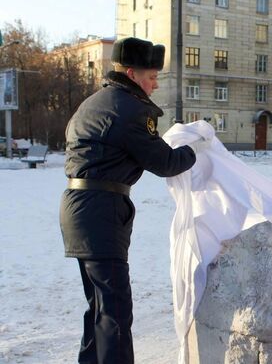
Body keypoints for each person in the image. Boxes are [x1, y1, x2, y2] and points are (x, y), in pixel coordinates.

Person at [59, 37, 207, 364]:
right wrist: (196, 149)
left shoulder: (97, 101)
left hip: (80, 208)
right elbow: (165, 162)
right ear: (131, 73)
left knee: (99, 306)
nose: (155, 85)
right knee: (115, 311)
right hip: (100, 211)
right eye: (152, 77)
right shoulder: (129, 109)